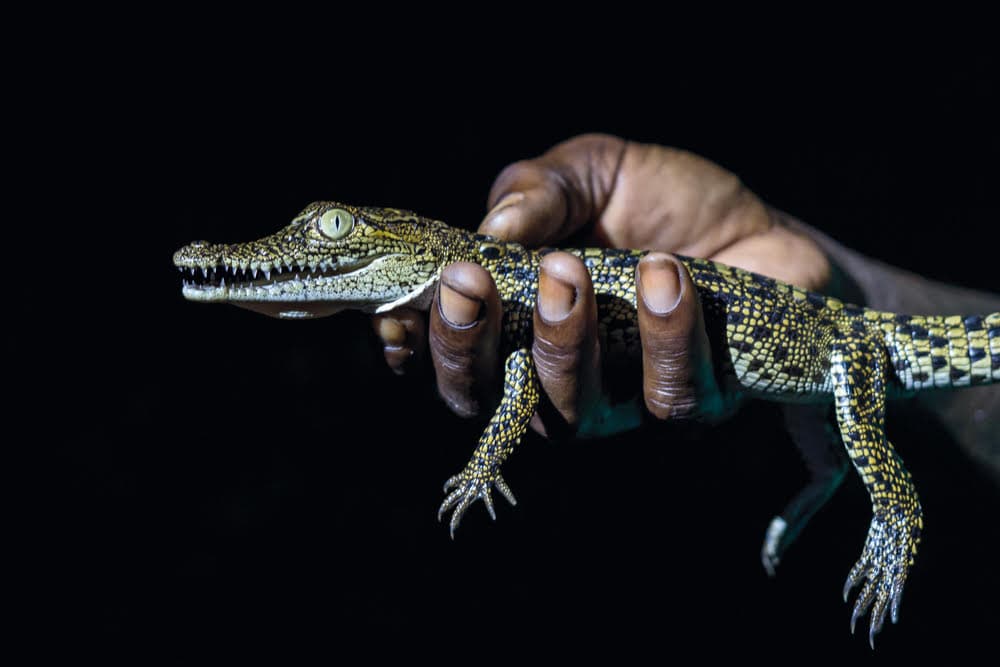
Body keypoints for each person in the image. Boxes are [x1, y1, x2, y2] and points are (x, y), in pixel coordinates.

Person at [371, 134, 999, 478]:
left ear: (406, 241)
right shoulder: (500, 297)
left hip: (840, 343)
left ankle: (899, 519)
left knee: (866, 452)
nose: (308, 245)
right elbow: (517, 375)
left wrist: (483, 469)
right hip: (831, 335)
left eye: (338, 229)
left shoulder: (502, 274)